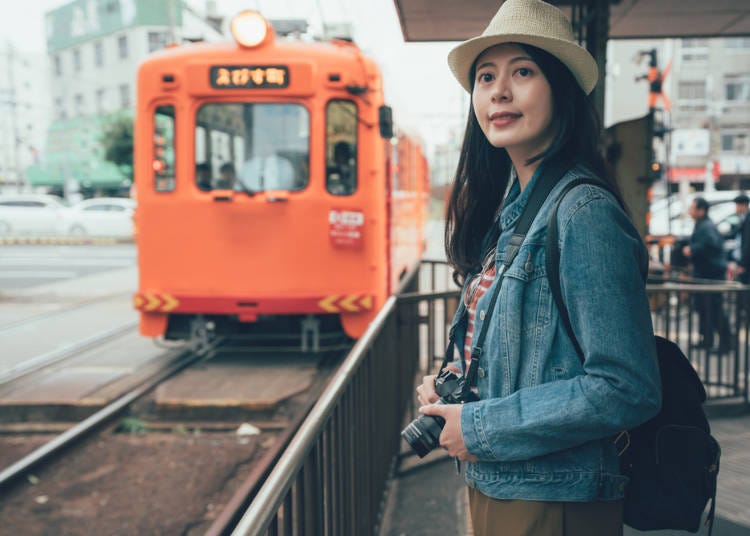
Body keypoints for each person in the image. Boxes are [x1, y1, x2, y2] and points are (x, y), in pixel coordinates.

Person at [413, 1, 661, 534]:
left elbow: (626, 385)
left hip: (554, 499)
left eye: (522, 72)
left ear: (562, 90)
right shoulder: (516, 209)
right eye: (485, 77)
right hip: (503, 485)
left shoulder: (583, 214)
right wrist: (456, 386)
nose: (498, 91)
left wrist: (478, 426)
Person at [682, 197, 732, 351]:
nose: (690, 211)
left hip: (711, 276)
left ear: (701, 210)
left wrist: (693, 249)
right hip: (704, 275)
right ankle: (707, 339)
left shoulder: (707, 226)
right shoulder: (702, 225)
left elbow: (710, 243)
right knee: (703, 308)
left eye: (693, 208)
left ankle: (725, 342)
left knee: (714, 309)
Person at [729, 193, 750, 283]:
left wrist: (743, 264)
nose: (736, 208)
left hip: (746, 263)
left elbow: (747, 243)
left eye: (737, 205)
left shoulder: (748, 219)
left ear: (744, 205)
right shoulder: (743, 218)